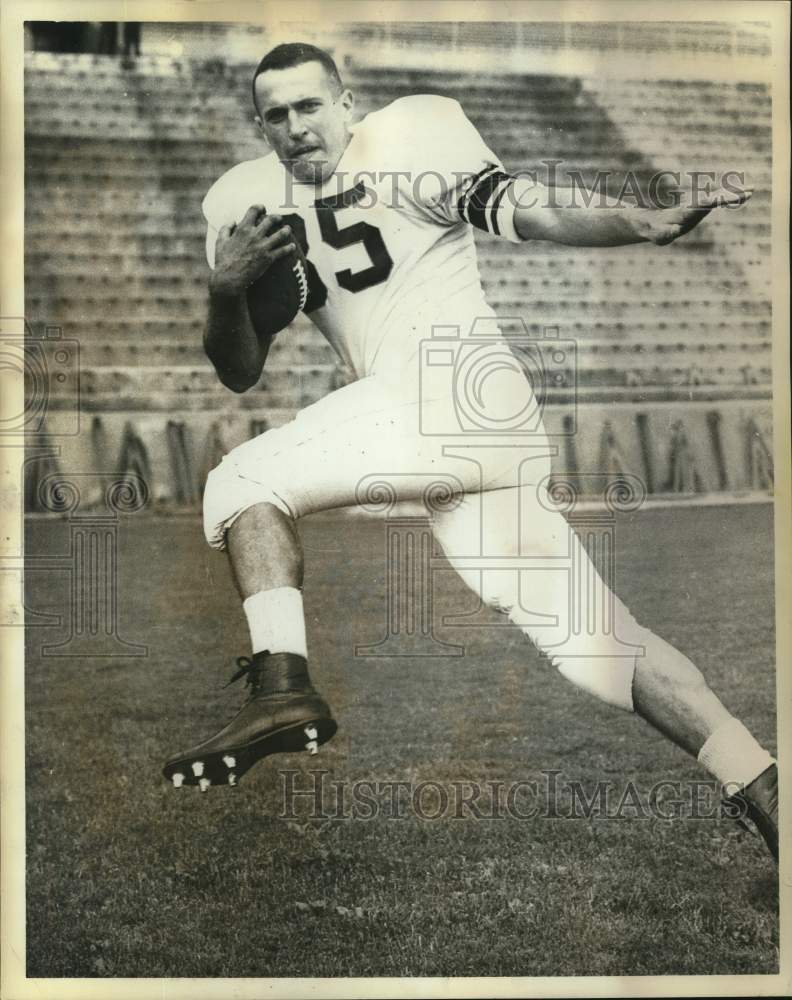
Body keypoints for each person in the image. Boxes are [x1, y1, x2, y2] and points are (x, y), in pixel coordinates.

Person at [162, 43, 778, 863]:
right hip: (459, 428)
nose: (295, 128)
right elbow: (238, 368)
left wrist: (643, 220)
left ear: (347, 101)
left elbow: (531, 209)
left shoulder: (415, 135)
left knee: (242, 477)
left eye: (310, 106)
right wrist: (225, 288)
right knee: (597, 651)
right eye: (275, 115)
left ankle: (283, 687)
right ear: (259, 126)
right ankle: (765, 787)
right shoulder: (244, 203)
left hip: (453, 383)